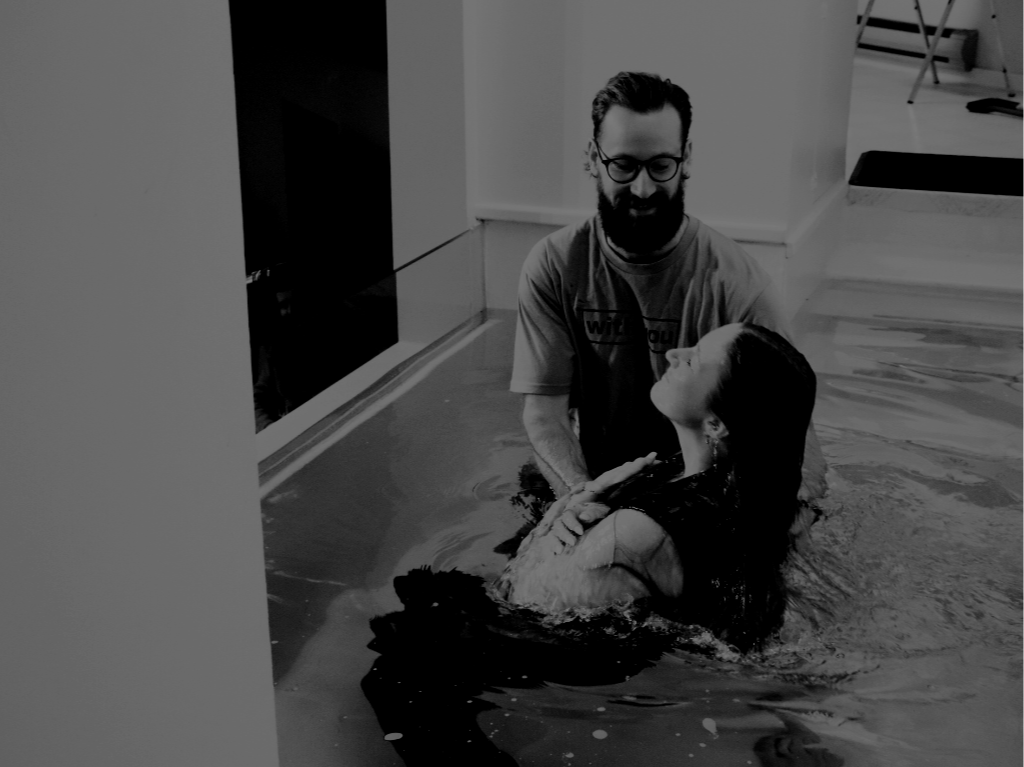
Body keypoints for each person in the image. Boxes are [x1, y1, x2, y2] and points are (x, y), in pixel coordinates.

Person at [510, 70, 826, 513]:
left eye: (661, 166)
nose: (642, 189)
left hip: (700, 496)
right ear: (593, 158)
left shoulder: (739, 286)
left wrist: (788, 519)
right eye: (623, 166)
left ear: (687, 159)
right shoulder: (554, 265)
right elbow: (544, 414)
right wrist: (582, 503)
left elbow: (792, 435)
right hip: (592, 479)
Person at [495, 323, 817, 652]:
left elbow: (521, 603)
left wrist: (550, 526)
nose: (674, 353)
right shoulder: (741, 494)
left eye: (692, 360)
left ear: (716, 424)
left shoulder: (637, 532)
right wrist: (583, 498)